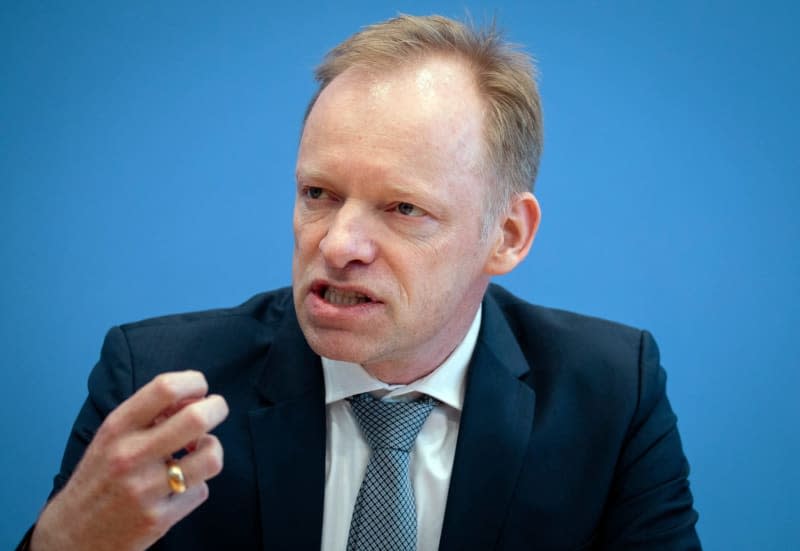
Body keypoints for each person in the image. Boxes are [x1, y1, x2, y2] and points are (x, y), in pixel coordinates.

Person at [20, 14, 700, 551]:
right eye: (318, 193)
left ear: (508, 236)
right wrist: (66, 544)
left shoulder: (610, 395)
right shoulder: (163, 386)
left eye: (403, 208)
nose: (338, 244)